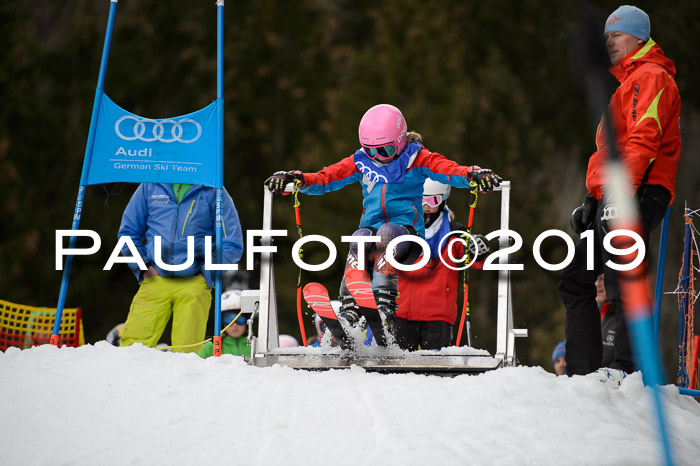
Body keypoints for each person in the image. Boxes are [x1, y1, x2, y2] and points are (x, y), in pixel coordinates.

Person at [265, 104, 500, 335]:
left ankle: (384, 300)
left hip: (408, 238)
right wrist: (296, 179)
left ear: (399, 141)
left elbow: (448, 170)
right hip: (371, 233)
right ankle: (349, 307)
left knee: (387, 231)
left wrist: (474, 174)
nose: (377, 157)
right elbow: (326, 178)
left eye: (385, 151)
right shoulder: (361, 162)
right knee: (359, 236)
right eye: (370, 150)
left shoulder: (417, 159)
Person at [559, 6, 681, 386]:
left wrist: (620, 195)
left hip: (642, 189)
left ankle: (626, 370)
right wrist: (592, 200)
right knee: (575, 277)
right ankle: (583, 374)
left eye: (617, 35)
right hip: (614, 192)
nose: (609, 42)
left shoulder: (653, 77)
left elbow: (645, 138)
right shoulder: (622, 88)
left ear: (639, 38)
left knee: (621, 275)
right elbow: (607, 152)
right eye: (606, 37)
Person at [118, 183, 244, 353]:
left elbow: (232, 243)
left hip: (194, 282)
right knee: (131, 348)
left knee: (187, 355)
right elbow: (128, 233)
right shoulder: (150, 185)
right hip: (155, 279)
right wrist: (143, 267)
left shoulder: (213, 188)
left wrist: (207, 273)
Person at [394, 176, 490, 351]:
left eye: (433, 200)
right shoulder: (402, 230)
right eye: (421, 199)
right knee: (400, 372)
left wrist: (478, 252)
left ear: (443, 200)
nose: (426, 205)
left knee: (435, 373)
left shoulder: (454, 232)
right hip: (404, 312)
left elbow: (473, 261)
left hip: (437, 315)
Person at [198, 289, 253, 358]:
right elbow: (197, 366)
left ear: (248, 321)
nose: (235, 325)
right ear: (221, 321)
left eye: (240, 319)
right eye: (229, 319)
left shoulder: (257, 346)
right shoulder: (212, 346)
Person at [596, 274, 616, 368]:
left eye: (602, 279)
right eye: (594, 279)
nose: (597, 284)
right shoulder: (587, 314)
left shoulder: (624, 316)